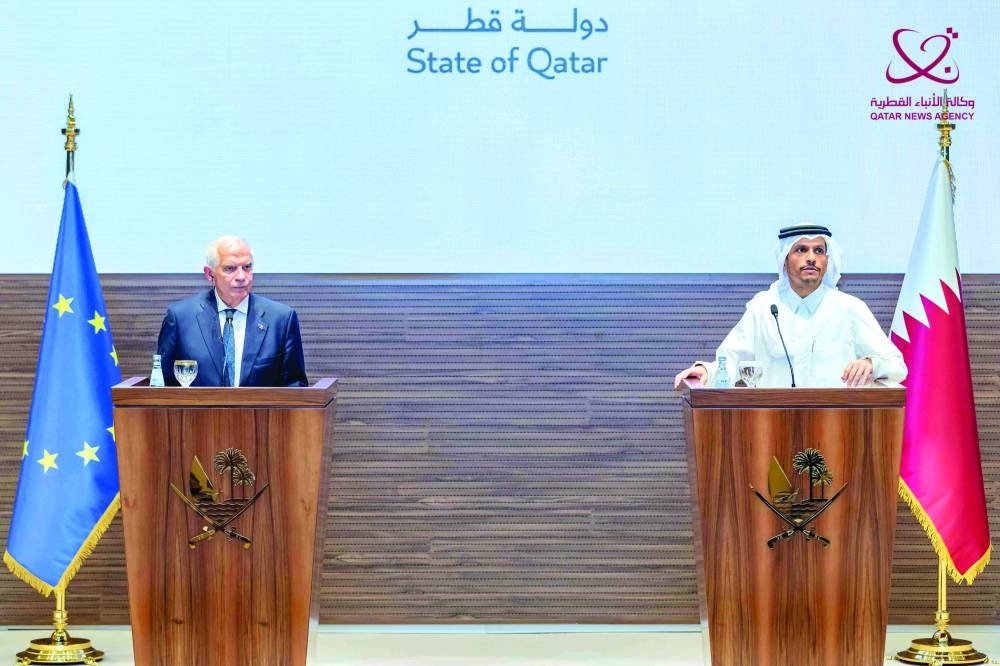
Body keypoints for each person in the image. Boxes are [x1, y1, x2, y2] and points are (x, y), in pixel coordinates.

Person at [674, 224, 906, 389]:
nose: (811, 258)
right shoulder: (764, 307)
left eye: (819, 251)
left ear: (827, 261)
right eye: (801, 250)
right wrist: (706, 372)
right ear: (785, 260)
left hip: (836, 432)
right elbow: (732, 362)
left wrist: (870, 363)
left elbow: (896, 365)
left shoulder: (849, 309)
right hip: (772, 430)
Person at [157, 235, 308, 387]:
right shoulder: (180, 318)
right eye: (230, 269)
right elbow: (162, 385)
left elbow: (295, 387)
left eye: (247, 267)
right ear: (210, 274)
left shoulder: (280, 319)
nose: (241, 276)